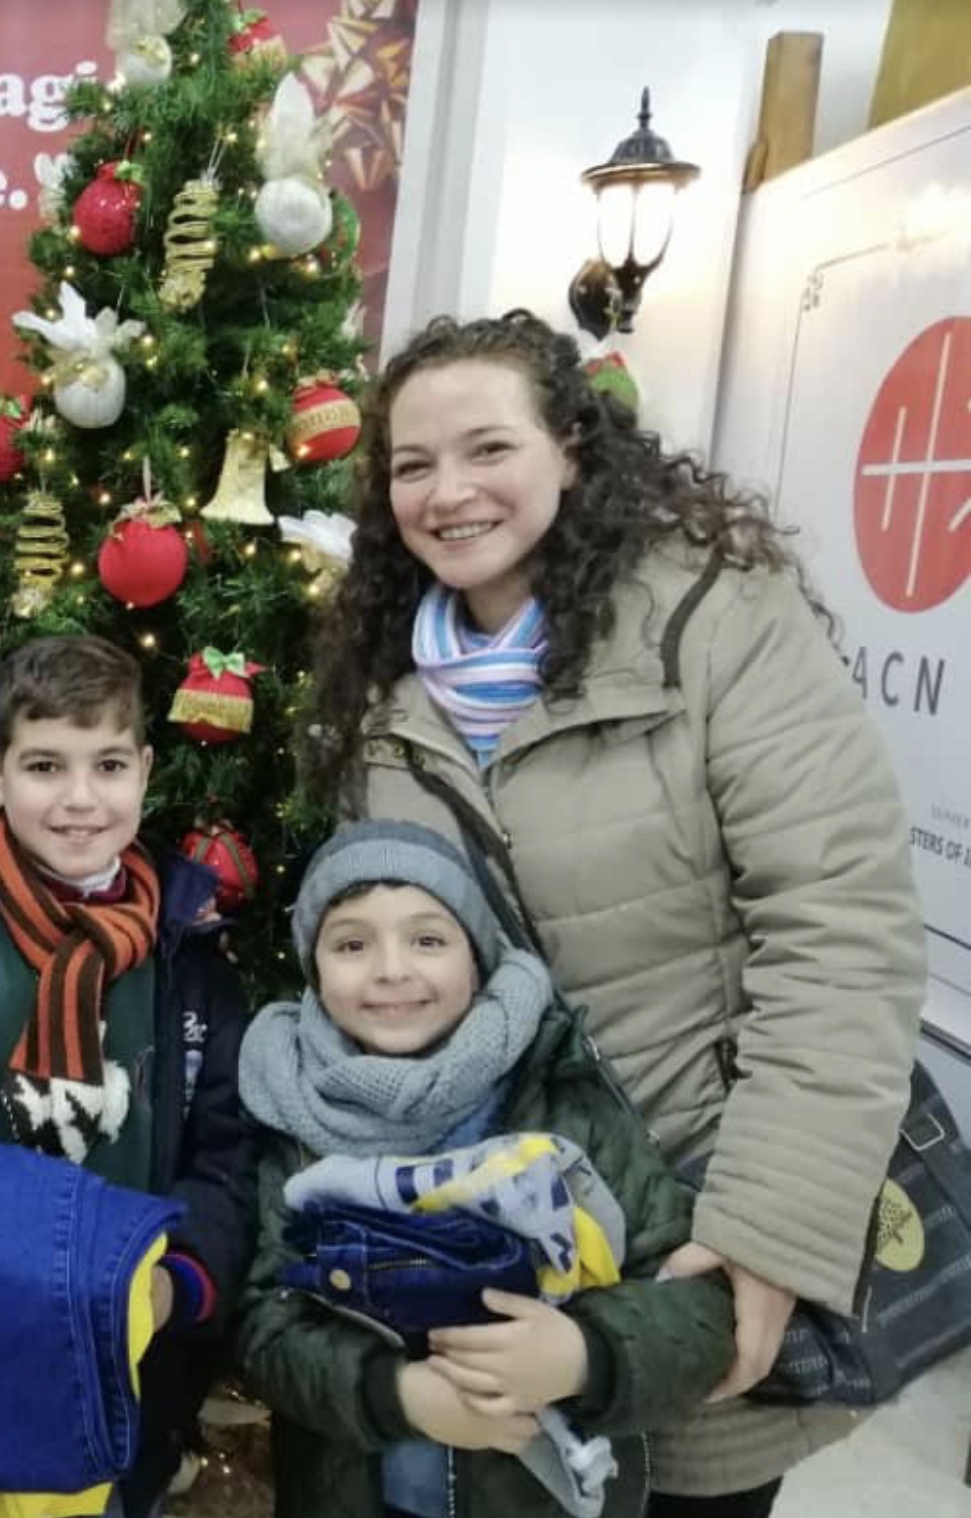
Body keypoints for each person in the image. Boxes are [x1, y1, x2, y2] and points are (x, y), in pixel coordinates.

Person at [304, 309, 927, 1517]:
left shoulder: (713, 622)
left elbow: (841, 932)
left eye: (489, 448)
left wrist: (764, 1232)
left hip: (693, 1222)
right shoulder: (385, 683)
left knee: (684, 1487)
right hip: (499, 1247)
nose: (448, 492)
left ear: (573, 450)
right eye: (412, 465)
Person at [0, 634, 252, 1517]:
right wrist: (9, 1263)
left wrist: (171, 1284)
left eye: (108, 765)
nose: (79, 799)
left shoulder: (192, 959)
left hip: (133, 1350)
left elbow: (226, 1156)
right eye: (44, 766)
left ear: (145, 771)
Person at [234, 819, 739, 1518]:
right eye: (352, 944)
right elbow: (263, 1323)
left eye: (428, 940)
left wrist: (584, 1354)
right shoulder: (293, 1118)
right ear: (314, 970)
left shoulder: (559, 1097)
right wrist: (394, 1394)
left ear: (476, 957)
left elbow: (697, 1304)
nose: (391, 970)